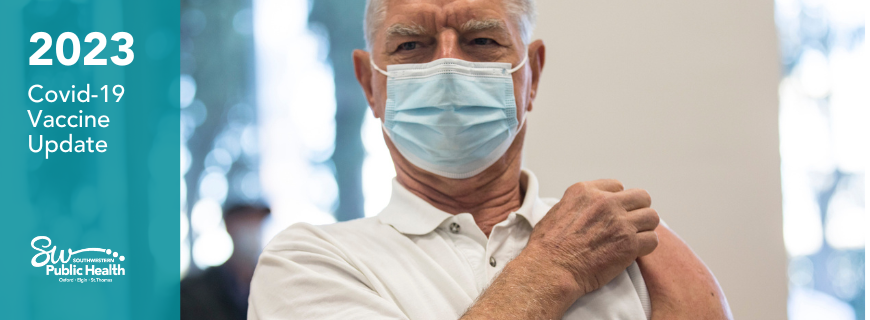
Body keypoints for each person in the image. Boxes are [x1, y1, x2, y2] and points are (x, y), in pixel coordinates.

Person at [249, 0, 732, 319]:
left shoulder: (619, 237)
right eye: (409, 46)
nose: (447, 68)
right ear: (369, 83)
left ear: (533, 74)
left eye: (482, 42)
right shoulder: (307, 266)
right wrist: (556, 268)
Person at [181, 204, 270, 320]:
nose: (253, 227)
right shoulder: (192, 292)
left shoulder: (274, 288)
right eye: (245, 220)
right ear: (228, 225)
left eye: (257, 221)